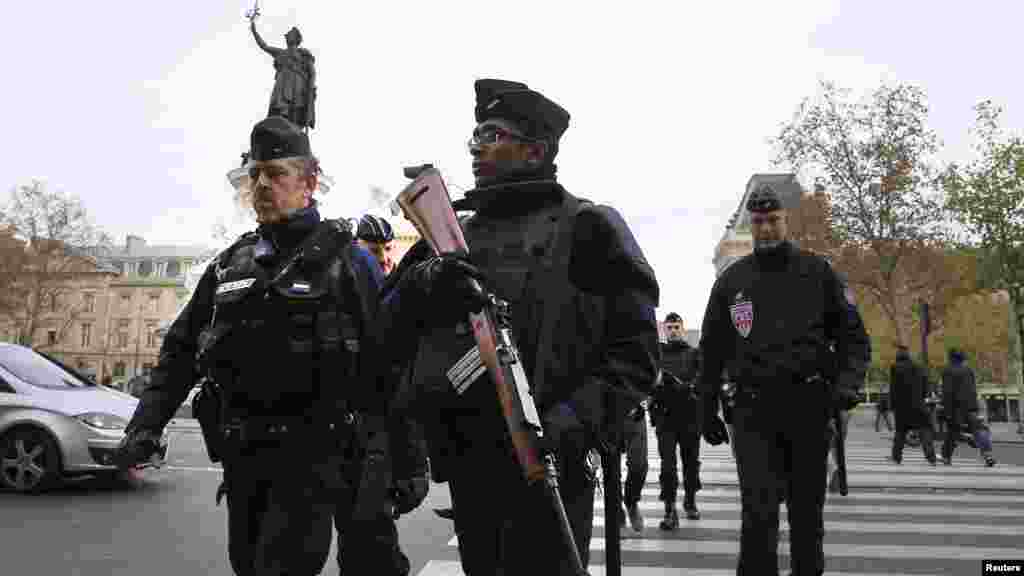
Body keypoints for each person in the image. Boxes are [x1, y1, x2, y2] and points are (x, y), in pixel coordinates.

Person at [382, 78, 660, 574]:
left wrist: (568, 425)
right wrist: (426, 283)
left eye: (492, 134)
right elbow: (384, 332)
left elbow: (636, 357)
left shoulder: (587, 227)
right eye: (475, 135)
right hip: (470, 464)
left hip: (549, 464)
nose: (476, 146)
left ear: (534, 150)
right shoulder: (451, 237)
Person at [113, 116, 414, 575]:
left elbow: (392, 365)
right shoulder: (232, 263)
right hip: (244, 458)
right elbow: (180, 351)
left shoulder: (348, 261)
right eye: (255, 175)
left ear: (310, 182)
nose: (261, 185)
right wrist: (146, 424)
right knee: (249, 565)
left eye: (276, 174)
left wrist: (408, 463)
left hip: (316, 457)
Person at [698, 183, 871, 576]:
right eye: (759, 222)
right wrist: (705, 408)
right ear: (751, 226)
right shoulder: (731, 282)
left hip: (808, 409)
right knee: (758, 515)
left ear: (785, 221)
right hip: (752, 413)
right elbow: (711, 351)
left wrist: (847, 384)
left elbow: (854, 339)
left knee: (807, 516)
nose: (766, 229)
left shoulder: (818, 272)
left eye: (773, 220)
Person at [650, 312, 702, 529]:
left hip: (690, 418)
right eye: (669, 327)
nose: (672, 331)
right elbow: (647, 380)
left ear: (683, 328)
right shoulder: (657, 355)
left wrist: (688, 387)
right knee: (668, 467)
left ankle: (690, 499)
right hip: (665, 418)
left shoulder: (693, 354)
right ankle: (670, 509)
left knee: (691, 464)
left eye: (676, 327)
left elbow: (703, 379)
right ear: (664, 330)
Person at [940, 349, 996, 467]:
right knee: (978, 430)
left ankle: (946, 457)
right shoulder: (969, 370)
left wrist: (946, 409)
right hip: (971, 406)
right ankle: (988, 455)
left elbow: (947, 392)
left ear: (951, 358)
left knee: (952, 433)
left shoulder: (947, 371)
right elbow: (972, 389)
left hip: (955, 407)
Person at [889, 345, 937, 465]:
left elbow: (893, 388)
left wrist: (892, 405)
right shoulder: (919, 367)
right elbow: (926, 384)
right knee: (924, 430)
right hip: (918, 405)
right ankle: (931, 457)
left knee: (900, 432)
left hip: (901, 407)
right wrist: (925, 397)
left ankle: (896, 456)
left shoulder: (895, 367)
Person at [619, 397, 649, 533]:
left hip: (635, 411)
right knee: (611, 469)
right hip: (608, 412)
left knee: (639, 465)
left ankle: (631, 502)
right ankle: (617, 515)